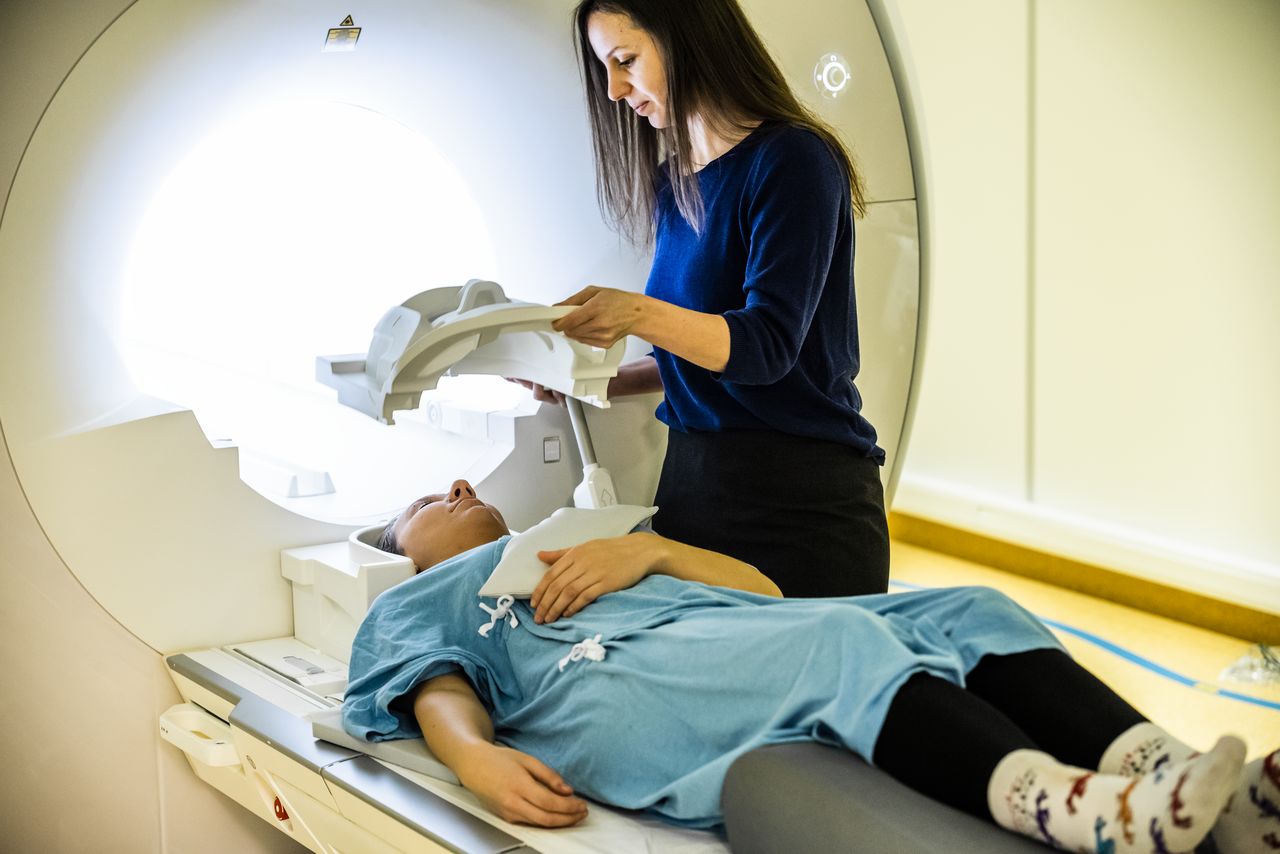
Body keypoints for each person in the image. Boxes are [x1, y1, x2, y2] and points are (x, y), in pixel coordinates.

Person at [349, 481, 1277, 853]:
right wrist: (475, 758)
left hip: (717, 628)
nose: (463, 488)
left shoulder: (584, 530)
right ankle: (1082, 813)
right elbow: (437, 684)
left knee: (975, 609)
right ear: (406, 549)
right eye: (432, 498)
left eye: (465, 480)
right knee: (845, 646)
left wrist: (656, 553)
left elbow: (762, 590)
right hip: (610, 684)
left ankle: (1182, 785)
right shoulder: (423, 595)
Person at [516, 0, 889, 598]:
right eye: (605, 68)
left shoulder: (793, 159)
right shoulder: (675, 182)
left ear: (684, 35)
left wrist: (635, 313)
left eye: (626, 60)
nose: (614, 89)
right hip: (694, 491)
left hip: (799, 504)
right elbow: (696, 360)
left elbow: (764, 349)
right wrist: (594, 383)